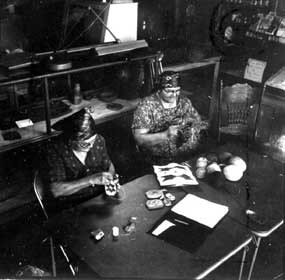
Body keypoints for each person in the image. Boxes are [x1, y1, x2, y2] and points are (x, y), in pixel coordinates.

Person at [39, 107, 116, 209]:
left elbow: (109, 165)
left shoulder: (99, 141)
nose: (90, 146)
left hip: (97, 197)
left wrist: (109, 177)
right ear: (69, 138)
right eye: (84, 143)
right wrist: (91, 180)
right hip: (72, 204)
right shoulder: (55, 149)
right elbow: (56, 190)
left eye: (92, 141)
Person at [132, 71, 207, 164]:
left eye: (177, 90)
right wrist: (165, 134)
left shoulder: (184, 102)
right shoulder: (147, 106)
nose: (174, 95)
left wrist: (190, 125)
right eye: (169, 91)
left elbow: (197, 121)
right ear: (159, 89)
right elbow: (139, 139)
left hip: (186, 157)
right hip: (160, 161)